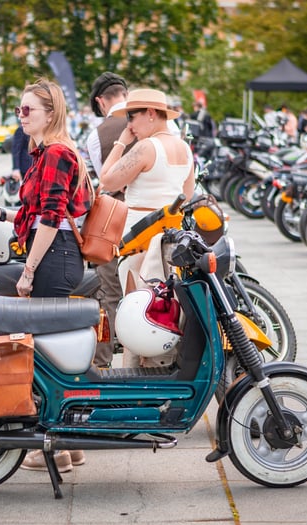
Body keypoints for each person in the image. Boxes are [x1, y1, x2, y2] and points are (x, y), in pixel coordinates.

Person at [0, 79, 92, 473]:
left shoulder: (56, 152)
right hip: (55, 251)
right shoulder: (48, 152)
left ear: (50, 113)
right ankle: (72, 445)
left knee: (46, 353)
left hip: (55, 255)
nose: (20, 117)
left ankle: (54, 447)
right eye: (19, 109)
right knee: (54, 350)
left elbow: (52, 219)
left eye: (27, 110)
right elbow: (38, 213)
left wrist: (29, 271)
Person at [99, 88, 196, 368]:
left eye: (132, 116)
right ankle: (161, 367)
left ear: (151, 114)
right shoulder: (184, 148)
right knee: (164, 309)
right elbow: (186, 195)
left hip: (138, 239)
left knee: (135, 312)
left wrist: (120, 143)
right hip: (169, 240)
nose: (129, 125)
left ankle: (131, 376)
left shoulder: (146, 147)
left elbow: (107, 181)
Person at [85, 71, 132, 369]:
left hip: (114, 220)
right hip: (155, 216)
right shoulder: (159, 122)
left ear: (101, 102)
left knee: (109, 293)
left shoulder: (95, 136)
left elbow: (103, 182)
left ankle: (103, 364)